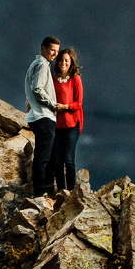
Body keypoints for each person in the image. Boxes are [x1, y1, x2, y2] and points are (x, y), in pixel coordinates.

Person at [24, 37, 66, 196]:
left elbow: (31, 88)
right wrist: (52, 104)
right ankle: (40, 193)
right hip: (44, 116)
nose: (55, 54)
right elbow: (37, 89)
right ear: (43, 49)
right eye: (52, 50)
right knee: (43, 158)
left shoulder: (35, 64)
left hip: (37, 116)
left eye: (57, 50)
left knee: (45, 156)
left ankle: (44, 189)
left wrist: (30, 101)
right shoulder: (42, 65)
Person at [48, 46, 83, 191]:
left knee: (68, 160)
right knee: (57, 160)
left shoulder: (75, 79)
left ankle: (71, 191)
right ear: (57, 62)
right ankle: (61, 191)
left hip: (71, 124)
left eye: (66, 61)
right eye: (61, 60)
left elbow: (78, 103)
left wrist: (65, 107)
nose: (63, 63)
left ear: (71, 62)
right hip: (56, 125)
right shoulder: (53, 79)